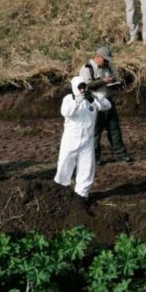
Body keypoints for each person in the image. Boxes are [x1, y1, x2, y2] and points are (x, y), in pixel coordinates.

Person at [54, 76, 111, 207]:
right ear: (75, 87)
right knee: (64, 165)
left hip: (87, 142)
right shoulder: (69, 99)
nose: (82, 89)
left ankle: (82, 196)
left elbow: (107, 106)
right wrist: (78, 100)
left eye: (83, 86)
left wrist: (97, 98)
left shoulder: (91, 99)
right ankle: (60, 192)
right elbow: (65, 112)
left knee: (87, 169)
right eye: (79, 87)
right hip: (70, 141)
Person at [80, 46, 131, 163]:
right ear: (98, 57)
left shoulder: (109, 66)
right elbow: (85, 86)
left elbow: (115, 79)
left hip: (108, 101)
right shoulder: (87, 68)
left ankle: (121, 155)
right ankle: (94, 158)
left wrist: (116, 83)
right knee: (95, 132)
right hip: (94, 103)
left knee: (114, 129)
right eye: (105, 60)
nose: (107, 62)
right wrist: (103, 81)